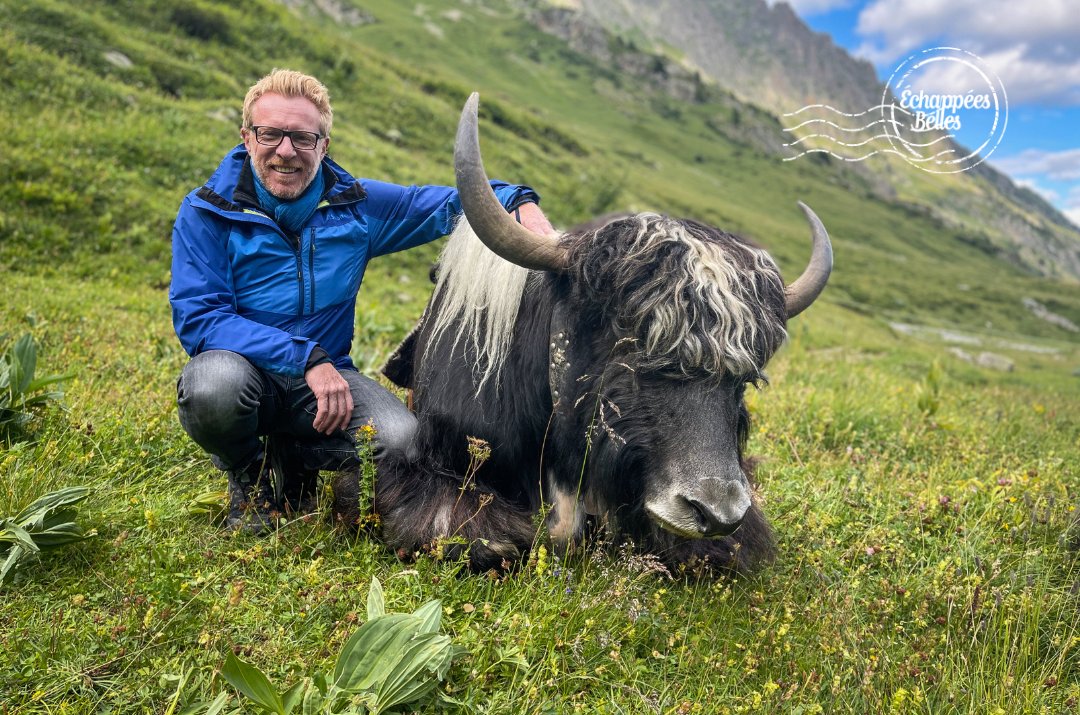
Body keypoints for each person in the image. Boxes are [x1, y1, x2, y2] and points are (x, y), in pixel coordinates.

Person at [169, 69, 553, 534]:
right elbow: (201, 319)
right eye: (270, 134)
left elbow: (449, 204)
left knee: (406, 443)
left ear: (323, 145)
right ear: (247, 138)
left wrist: (521, 203)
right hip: (249, 368)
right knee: (213, 388)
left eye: (303, 138)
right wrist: (305, 358)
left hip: (327, 383)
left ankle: (294, 461)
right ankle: (250, 479)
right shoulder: (207, 210)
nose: (286, 151)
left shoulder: (357, 206)